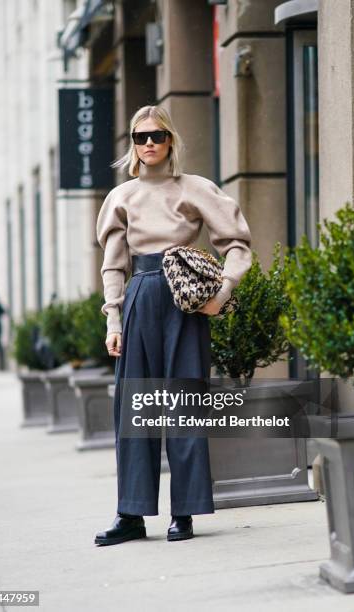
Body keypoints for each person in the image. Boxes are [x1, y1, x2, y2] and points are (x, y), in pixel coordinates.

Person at [94, 105, 252, 546]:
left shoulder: (195, 189)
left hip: (185, 302)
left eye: (158, 136)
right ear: (133, 143)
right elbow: (113, 266)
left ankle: (184, 511)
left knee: (184, 401)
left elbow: (237, 244)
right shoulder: (121, 197)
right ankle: (131, 514)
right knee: (135, 407)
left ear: (170, 141)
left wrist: (220, 296)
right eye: (141, 136)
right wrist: (114, 318)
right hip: (141, 297)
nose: (149, 144)